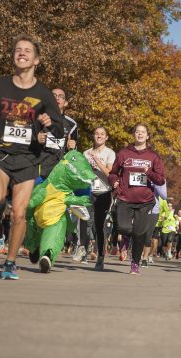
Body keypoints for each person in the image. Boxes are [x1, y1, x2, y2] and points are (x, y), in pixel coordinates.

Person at [0, 34, 64, 280]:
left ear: (36, 60)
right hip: (1, 153)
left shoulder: (43, 93)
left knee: (19, 214)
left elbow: (60, 128)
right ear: (13, 56)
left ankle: (10, 262)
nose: (22, 53)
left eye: (27, 50)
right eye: (18, 49)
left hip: (29, 159)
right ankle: (2, 200)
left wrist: (50, 123)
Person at [108, 123, 165, 275]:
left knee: (140, 233)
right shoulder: (124, 153)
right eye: (137, 132)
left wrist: (149, 173)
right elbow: (113, 172)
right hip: (125, 198)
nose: (140, 134)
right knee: (124, 228)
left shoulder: (153, 157)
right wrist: (114, 182)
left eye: (143, 132)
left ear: (147, 136)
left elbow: (160, 180)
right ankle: (126, 238)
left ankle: (135, 263)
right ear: (133, 135)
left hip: (145, 201)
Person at [78, 126, 115, 270]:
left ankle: (100, 256)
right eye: (96, 133)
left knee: (99, 225)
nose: (99, 136)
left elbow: (109, 173)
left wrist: (97, 161)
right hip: (88, 190)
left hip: (104, 193)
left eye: (102, 134)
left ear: (106, 138)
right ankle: (83, 251)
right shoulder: (85, 153)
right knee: (84, 219)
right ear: (93, 136)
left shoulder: (110, 153)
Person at [37, 87, 79, 178]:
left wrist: (72, 147)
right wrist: (36, 139)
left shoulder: (72, 124)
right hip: (37, 171)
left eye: (61, 96)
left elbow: (73, 153)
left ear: (66, 103)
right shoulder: (37, 118)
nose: (57, 98)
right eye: (53, 96)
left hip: (59, 174)